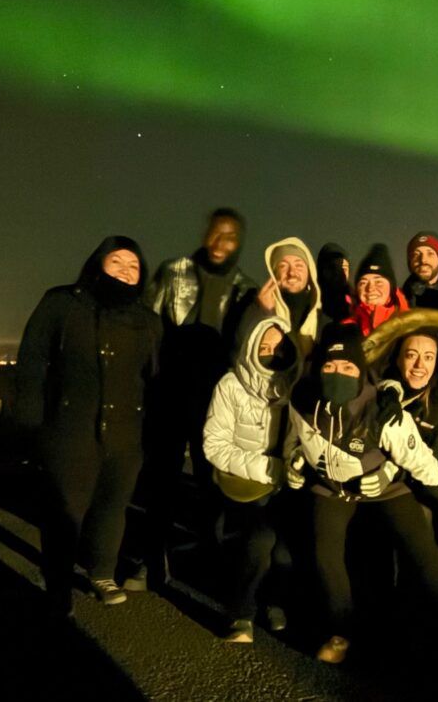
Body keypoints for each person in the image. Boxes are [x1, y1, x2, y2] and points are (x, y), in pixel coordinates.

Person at [286, 323, 438, 668]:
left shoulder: (385, 408)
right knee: (325, 556)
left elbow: (423, 461)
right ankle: (339, 631)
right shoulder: (302, 398)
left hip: (387, 489)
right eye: (330, 365)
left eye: (348, 366)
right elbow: (294, 435)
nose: (338, 372)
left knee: (428, 561)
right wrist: (295, 459)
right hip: (330, 489)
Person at [14, 236, 162, 614]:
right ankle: (59, 583)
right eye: (117, 262)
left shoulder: (147, 320)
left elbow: (155, 378)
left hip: (126, 434)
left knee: (113, 507)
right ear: (97, 263)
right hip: (70, 429)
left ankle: (102, 573)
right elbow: (33, 359)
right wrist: (29, 421)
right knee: (66, 511)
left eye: (134, 266)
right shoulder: (63, 303)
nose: (127, 271)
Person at [127, 208, 257, 588]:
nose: (220, 243)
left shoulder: (245, 288)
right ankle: (151, 558)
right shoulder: (173, 272)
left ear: (239, 242)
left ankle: (209, 558)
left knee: (210, 487)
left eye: (230, 236)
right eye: (215, 234)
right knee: (160, 482)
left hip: (216, 403)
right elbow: (147, 327)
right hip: (168, 394)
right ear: (205, 235)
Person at [202, 316, 301, 643]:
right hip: (244, 481)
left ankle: (275, 601)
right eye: (264, 347)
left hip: (287, 484)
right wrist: (268, 468)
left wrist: (295, 463)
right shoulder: (231, 384)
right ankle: (241, 614)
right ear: (251, 348)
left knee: (287, 550)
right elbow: (214, 444)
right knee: (259, 541)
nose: (272, 353)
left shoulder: (297, 386)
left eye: (279, 347)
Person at [362, 308, 438, 546]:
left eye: (429, 357)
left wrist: (394, 472)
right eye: (411, 355)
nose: (419, 365)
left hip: (413, 486)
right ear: (398, 357)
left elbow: (437, 461)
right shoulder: (376, 392)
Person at [252, 237, 324, 356]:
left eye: (299, 266)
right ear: (274, 273)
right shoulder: (255, 309)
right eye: (283, 266)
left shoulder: (324, 312)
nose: (291, 273)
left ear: (310, 271)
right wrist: (268, 314)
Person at [346, 243, 409, 338]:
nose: (370, 288)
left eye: (378, 282)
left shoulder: (411, 325)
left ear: (391, 287)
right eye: (363, 283)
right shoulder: (344, 330)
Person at [316, 242, 353, 323]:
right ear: (322, 271)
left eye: (344, 268)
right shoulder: (312, 303)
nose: (339, 273)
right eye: (332, 268)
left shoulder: (356, 304)